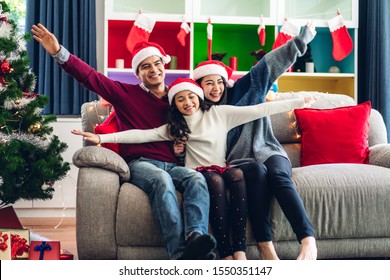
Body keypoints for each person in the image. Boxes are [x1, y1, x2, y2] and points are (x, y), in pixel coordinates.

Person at [71, 77, 313, 260]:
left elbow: (259, 110)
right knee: (214, 182)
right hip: (197, 172)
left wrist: (300, 101)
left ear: (199, 97)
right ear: (174, 103)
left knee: (238, 174)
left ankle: (238, 250)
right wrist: (102, 139)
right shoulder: (174, 127)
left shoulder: (220, 113)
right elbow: (141, 135)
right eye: (180, 99)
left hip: (221, 166)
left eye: (191, 97)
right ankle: (224, 251)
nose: (187, 102)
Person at [31, 23, 216, 260]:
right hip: (141, 163)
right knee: (160, 180)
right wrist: (59, 52)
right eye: (145, 66)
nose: (153, 70)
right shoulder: (125, 94)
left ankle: (195, 241)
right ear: (138, 74)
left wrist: (181, 151)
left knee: (197, 178)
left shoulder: (179, 98)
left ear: (164, 65)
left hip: (174, 164)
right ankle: (179, 254)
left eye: (157, 63)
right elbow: (90, 77)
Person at [191, 22, 318, 260]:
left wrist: (301, 41)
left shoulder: (245, 88)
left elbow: (271, 63)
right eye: (208, 83)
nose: (216, 88)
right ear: (199, 86)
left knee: (278, 175)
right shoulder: (200, 111)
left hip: (268, 149)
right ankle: (264, 244)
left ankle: (307, 239)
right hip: (239, 161)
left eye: (219, 81)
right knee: (258, 174)